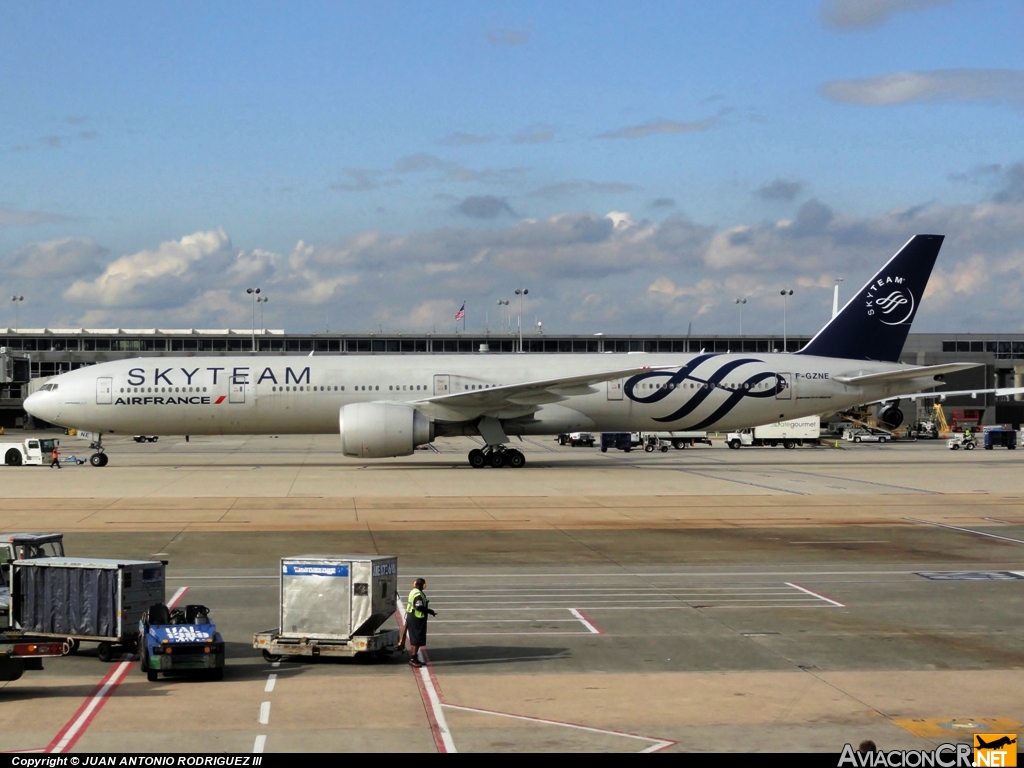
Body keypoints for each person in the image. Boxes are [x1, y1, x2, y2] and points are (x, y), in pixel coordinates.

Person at [405, 577, 436, 668]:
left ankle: (415, 658)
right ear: (424, 585)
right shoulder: (418, 594)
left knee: (417, 638)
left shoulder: (413, 591)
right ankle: (413, 659)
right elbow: (418, 607)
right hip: (416, 618)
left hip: (413, 616)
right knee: (416, 639)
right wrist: (429, 611)